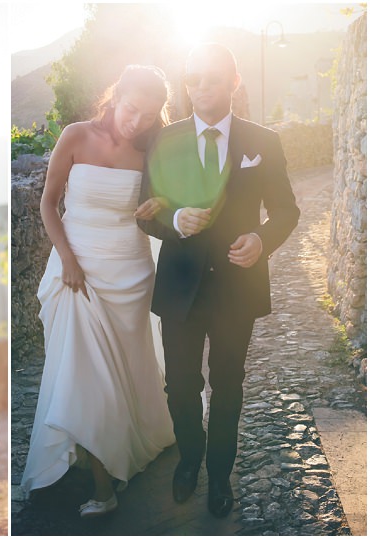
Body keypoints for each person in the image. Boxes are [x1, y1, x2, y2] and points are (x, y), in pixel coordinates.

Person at [138, 42, 300, 518]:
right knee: (181, 386)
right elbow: (148, 213)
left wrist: (262, 240)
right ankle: (189, 461)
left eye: (212, 78)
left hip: (237, 286)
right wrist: (175, 217)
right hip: (180, 286)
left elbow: (287, 209)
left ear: (234, 82)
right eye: (193, 80)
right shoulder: (165, 140)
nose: (201, 87)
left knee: (229, 384)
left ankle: (221, 474)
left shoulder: (263, 142)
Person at [20, 65, 176, 518]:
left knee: (127, 372)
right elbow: (49, 203)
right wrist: (67, 259)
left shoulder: (154, 148)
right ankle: (103, 483)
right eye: (131, 109)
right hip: (77, 270)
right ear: (115, 97)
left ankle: (131, 442)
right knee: (84, 374)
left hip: (129, 271)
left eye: (148, 116)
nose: (136, 122)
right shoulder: (74, 135)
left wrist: (161, 203)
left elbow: (170, 203)